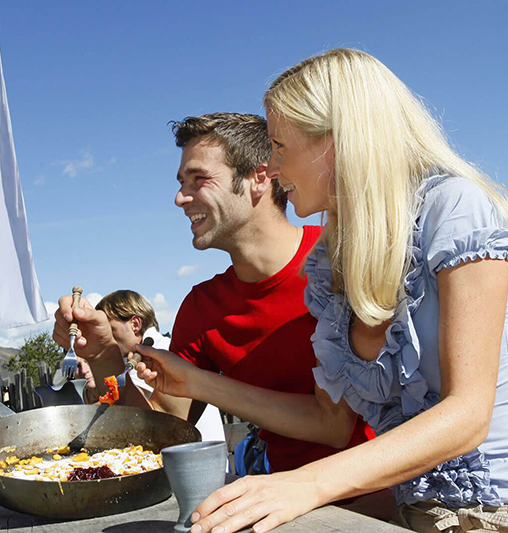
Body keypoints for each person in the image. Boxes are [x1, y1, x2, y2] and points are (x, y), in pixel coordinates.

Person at [186, 48, 508, 533]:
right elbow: (329, 419)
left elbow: (467, 417)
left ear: (335, 141)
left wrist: (307, 484)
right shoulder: (332, 260)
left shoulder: (453, 208)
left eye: (278, 145)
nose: (271, 168)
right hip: (412, 516)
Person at [54, 112, 370, 475]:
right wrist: (104, 356)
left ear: (259, 177)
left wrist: (204, 384)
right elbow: (162, 430)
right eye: (180, 182)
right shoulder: (201, 308)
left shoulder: (340, 262)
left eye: (198, 179)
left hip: (381, 506)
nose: (179, 198)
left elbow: (335, 425)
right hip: (273, 504)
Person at [93, 289, 225, 443]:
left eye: (110, 330)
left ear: (135, 324)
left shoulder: (155, 354)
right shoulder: (164, 347)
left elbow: (130, 410)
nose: (106, 338)